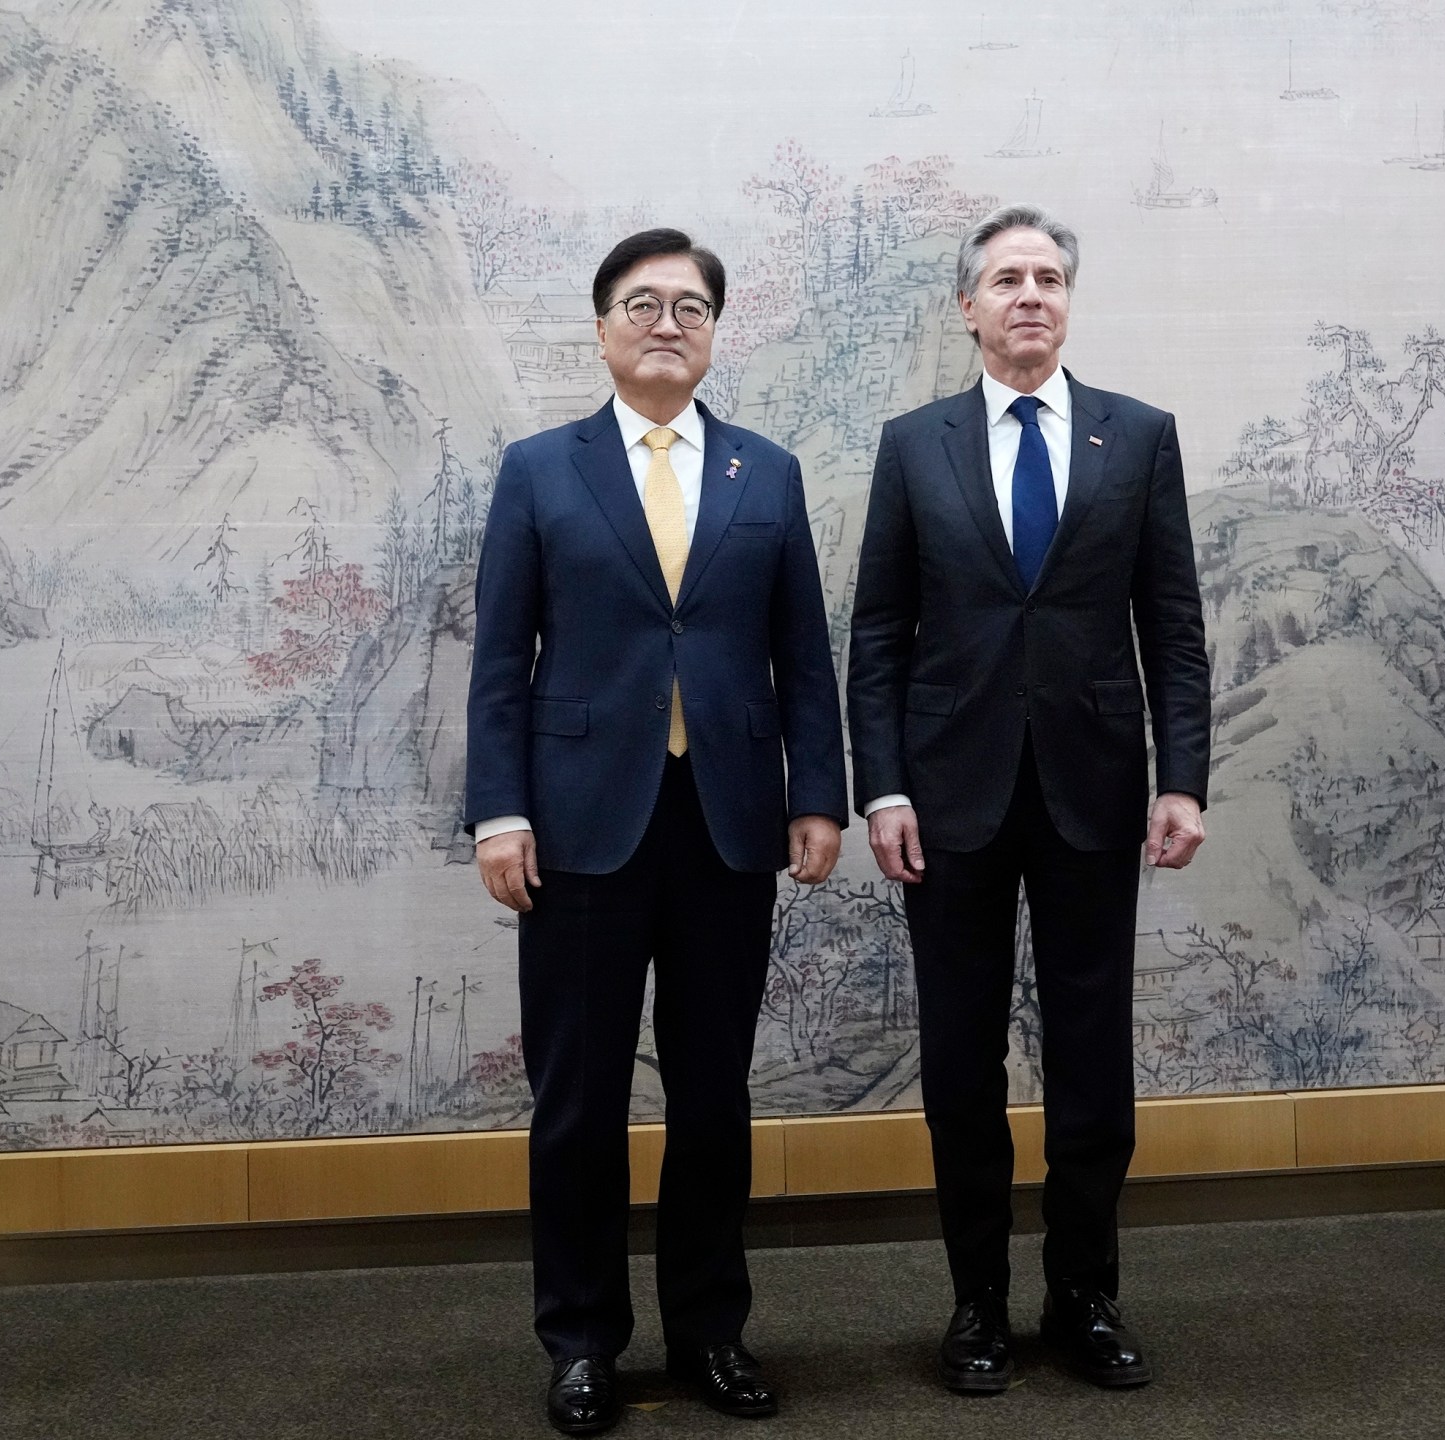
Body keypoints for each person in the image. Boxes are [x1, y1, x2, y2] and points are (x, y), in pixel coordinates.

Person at [465, 227, 848, 1434]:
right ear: (600, 327)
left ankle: (710, 1334)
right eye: (642, 303)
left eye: (689, 305)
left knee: (714, 1097)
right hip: (578, 831)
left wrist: (816, 794)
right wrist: (498, 810)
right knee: (576, 1102)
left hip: (729, 827)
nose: (666, 322)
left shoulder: (766, 473)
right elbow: (496, 662)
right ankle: (581, 1342)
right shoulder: (540, 469)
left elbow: (805, 657)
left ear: (714, 331)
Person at [846, 204, 1211, 1395]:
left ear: (1069, 300)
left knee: (1092, 1067)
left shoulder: (1136, 437)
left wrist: (1182, 780)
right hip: (946, 802)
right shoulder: (914, 445)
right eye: (1005, 279)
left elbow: (1174, 629)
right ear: (968, 308)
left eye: (1049, 277)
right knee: (959, 1067)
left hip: (1095, 796)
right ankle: (976, 1307)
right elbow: (879, 635)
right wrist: (882, 784)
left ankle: (1084, 1297)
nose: (1030, 296)